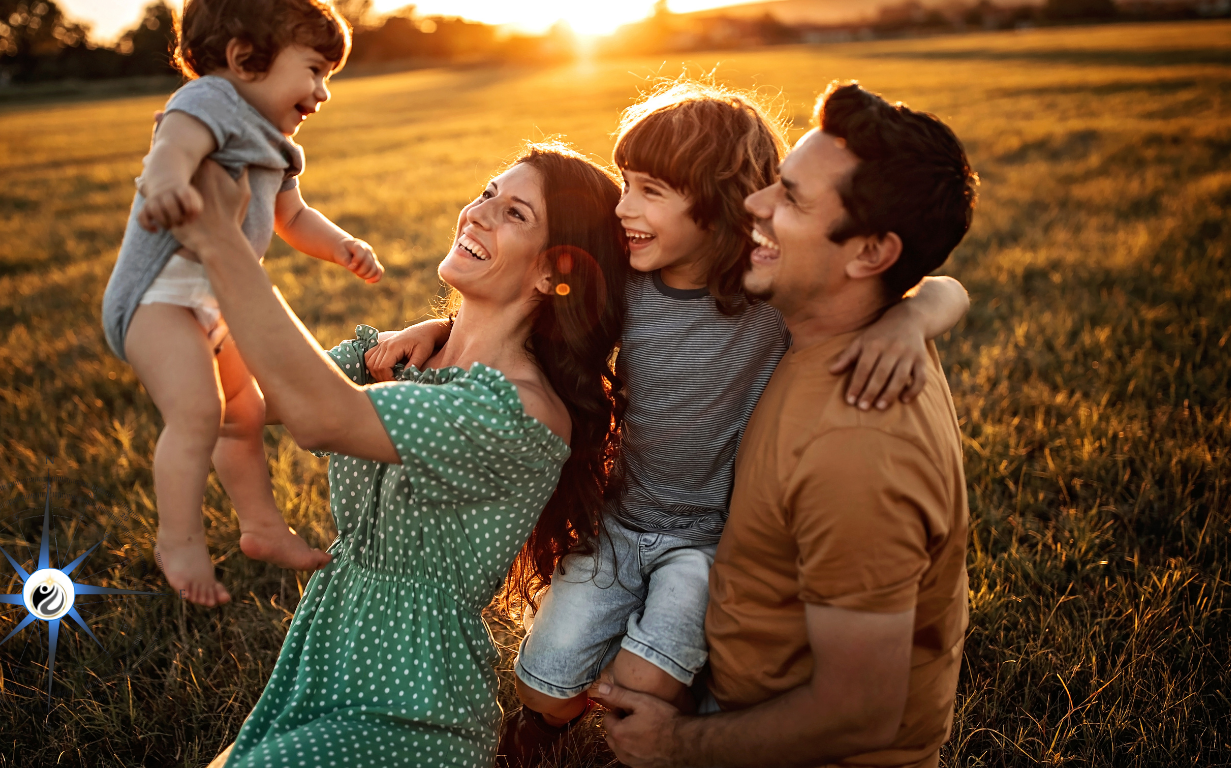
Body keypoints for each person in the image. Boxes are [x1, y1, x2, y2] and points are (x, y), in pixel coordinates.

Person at [370, 81, 971, 767]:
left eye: (791, 197)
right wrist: (441, 326)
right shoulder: (645, 279)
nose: (759, 205)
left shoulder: (798, 346)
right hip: (624, 517)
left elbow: (935, 284)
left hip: (699, 542)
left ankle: (660, 693)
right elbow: (551, 317)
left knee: (646, 680)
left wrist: (911, 317)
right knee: (545, 678)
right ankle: (550, 720)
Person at [171, 141, 630, 768]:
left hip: (415, 708)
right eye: (488, 193)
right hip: (323, 660)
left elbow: (323, 416)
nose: (478, 212)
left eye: (515, 214)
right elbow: (243, 400)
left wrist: (224, 247)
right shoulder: (406, 359)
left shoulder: (521, 411)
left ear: (554, 272)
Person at [593, 80, 978, 768]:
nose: (753, 202)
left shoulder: (858, 447)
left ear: (869, 255)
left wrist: (676, 744)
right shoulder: (830, 332)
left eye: (790, 198)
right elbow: (940, 288)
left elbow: (860, 712)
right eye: (777, 182)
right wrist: (916, 311)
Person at [100, 0, 385, 606]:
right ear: (243, 59)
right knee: (199, 411)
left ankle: (261, 527)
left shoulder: (278, 144)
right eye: (313, 70)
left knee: (244, 414)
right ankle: (177, 541)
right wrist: (170, 185)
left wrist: (342, 247)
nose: (322, 92)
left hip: (214, 300)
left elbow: (293, 216)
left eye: (328, 77)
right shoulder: (208, 102)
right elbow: (171, 150)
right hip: (159, 299)